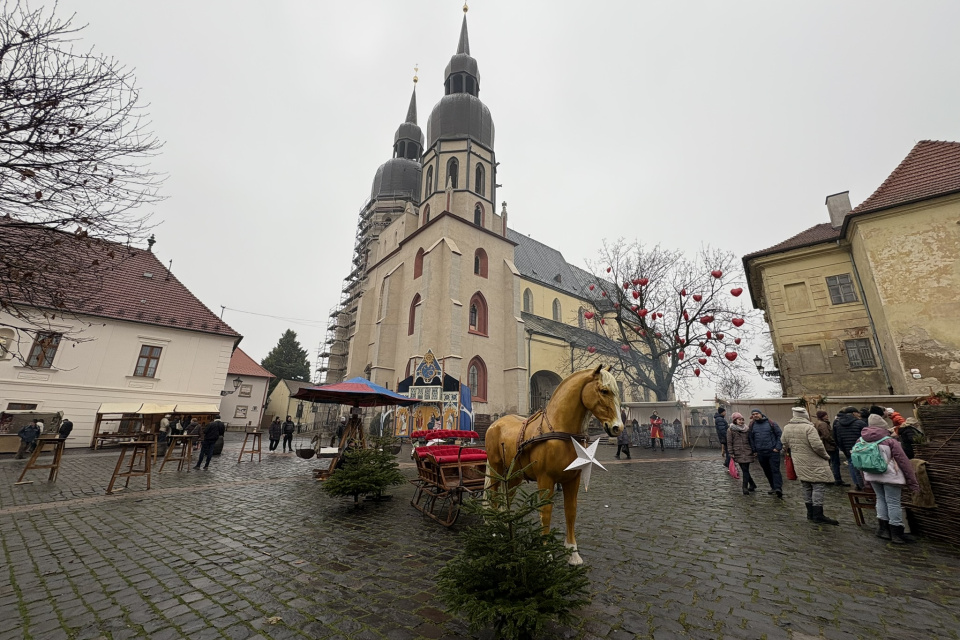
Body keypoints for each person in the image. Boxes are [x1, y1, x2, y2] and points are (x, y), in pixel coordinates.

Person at [860, 413, 921, 543]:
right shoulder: (890, 441)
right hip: (890, 475)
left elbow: (860, 463)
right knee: (893, 502)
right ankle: (897, 533)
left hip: (872, 475)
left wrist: (865, 480)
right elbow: (903, 462)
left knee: (880, 500)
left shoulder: (861, 440)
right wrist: (912, 482)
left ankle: (883, 529)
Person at [781, 407, 839, 525]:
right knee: (818, 486)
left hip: (799, 461)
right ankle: (818, 514)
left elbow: (784, 442)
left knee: (806, 485)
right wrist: (826, 456)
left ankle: (810, 513)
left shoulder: (787, 427)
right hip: (814, 461)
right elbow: (817, 446)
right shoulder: (809, 428)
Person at [748, 408, 783, 498]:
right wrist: (754, 450)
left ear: (761, 414)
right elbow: (751, 438)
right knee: (767, 471)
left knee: (775, 470)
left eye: (757, 413)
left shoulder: (771, 423)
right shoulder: (752, 425)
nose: (755, 415)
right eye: (753, 414)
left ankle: (778, 488)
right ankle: (773, 487)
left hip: (772, 451)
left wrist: (778, 447)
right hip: (761, 452)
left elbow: (780, 435)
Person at [833, 407, 867, 490]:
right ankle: (865, 486)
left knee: (852, 467)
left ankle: (857, 484)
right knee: (864, 469)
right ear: (854, 413)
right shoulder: (860, 423)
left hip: (848, 449)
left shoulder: (838, 424)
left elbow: (838, 438)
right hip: (861, 449)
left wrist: (843, 449)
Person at [726, 412, 757, 495]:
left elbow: (751, 440)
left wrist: (753, 450)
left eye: (742, 420)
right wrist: (731, 452)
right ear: (735, 420)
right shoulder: (730, 430)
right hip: (737, 452)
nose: (741, 421)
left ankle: (744, 487)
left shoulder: (747, 429)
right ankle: (752, 484)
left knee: (745, 469)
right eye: (739, 420)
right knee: (744, 470)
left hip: (747, 451)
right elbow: (729, 442)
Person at [814, 410, 846, 486]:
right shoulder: (823, 424)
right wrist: (834, 443)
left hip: (825, 446)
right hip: (829, 446)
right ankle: (837, 479)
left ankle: (829, 479)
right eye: (825, 415)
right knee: (835, 463)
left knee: (828, 463)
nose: (827, 416)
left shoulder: (818, 423)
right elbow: (827, 436)